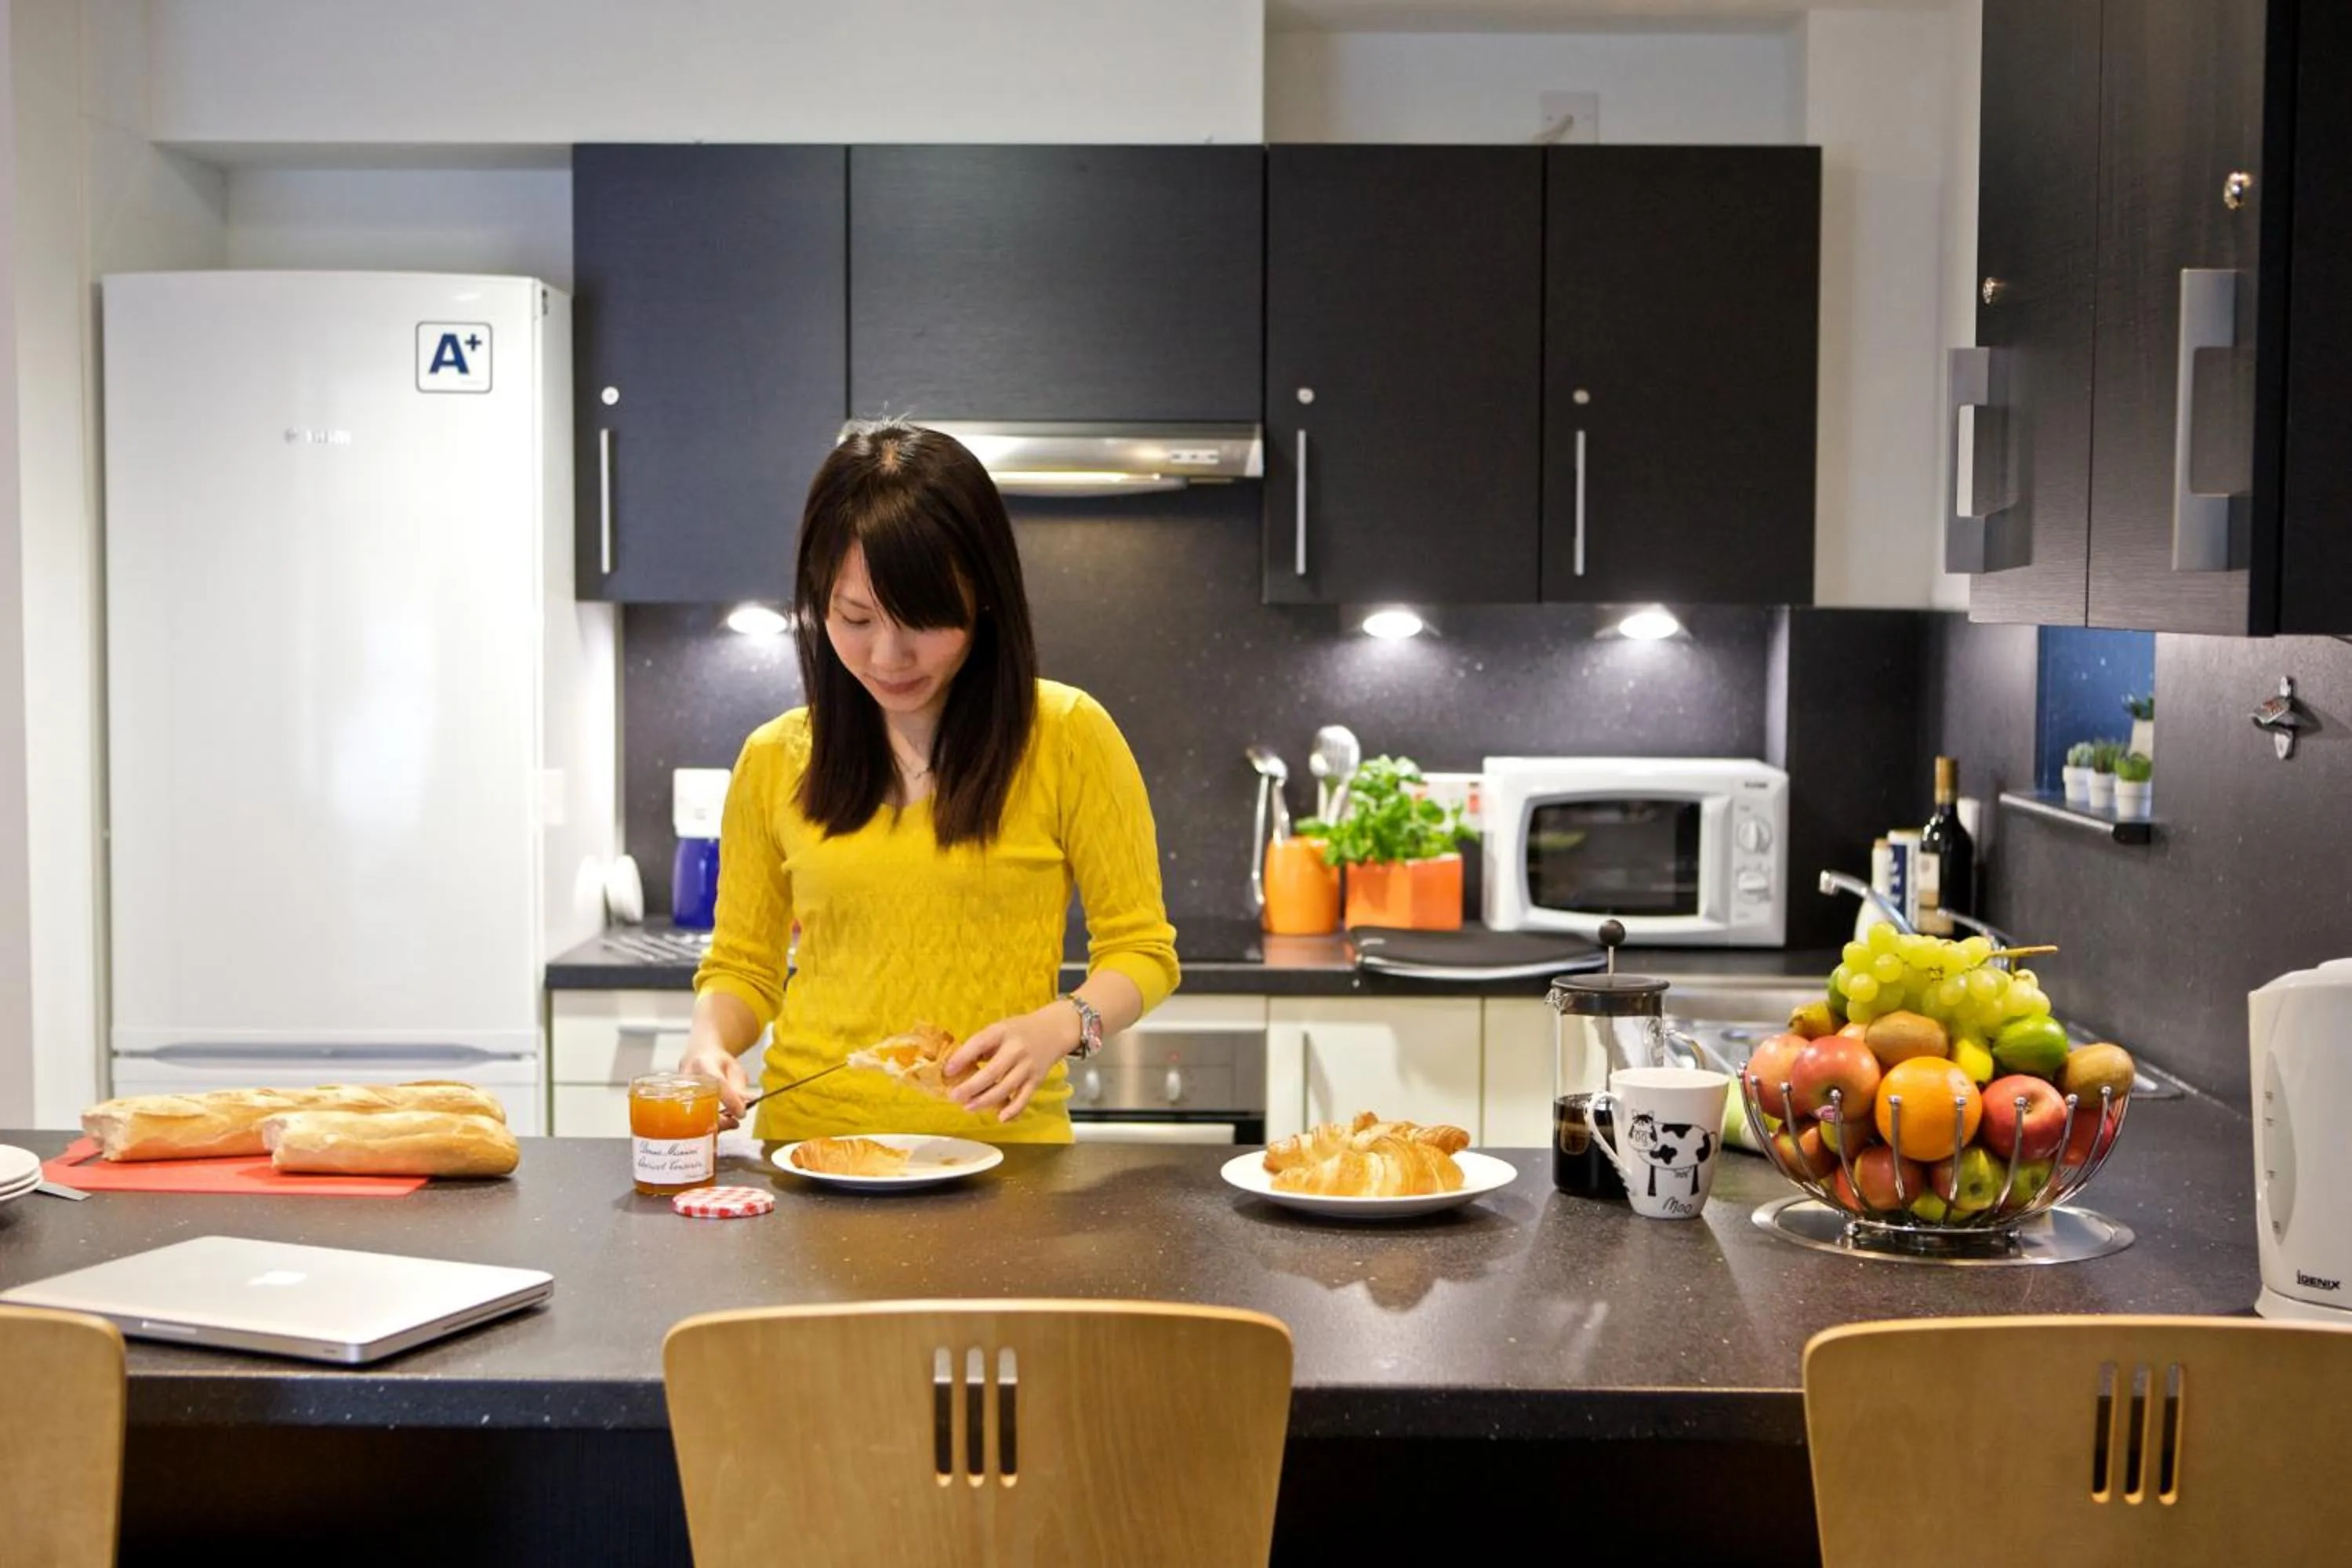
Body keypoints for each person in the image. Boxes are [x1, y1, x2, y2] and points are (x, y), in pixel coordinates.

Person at [679, 420, 1179, 1143]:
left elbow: (1143, 951)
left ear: (982, 596)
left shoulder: (1068, 735)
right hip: (811, 1156)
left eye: (924, 618)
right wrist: (709, 1044)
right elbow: (744, 967)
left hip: (1003, 1164)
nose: (888, 655)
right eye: (855, 618)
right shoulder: (776, 758)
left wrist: (1063, 1025)